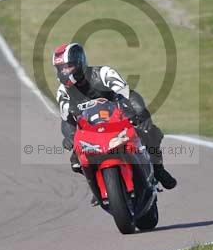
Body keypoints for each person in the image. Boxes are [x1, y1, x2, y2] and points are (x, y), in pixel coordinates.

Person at [52, 42, 177, 193]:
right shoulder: (63, 91)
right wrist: (70, 137)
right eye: (60, 68)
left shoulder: (103, 73)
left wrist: (140, 113)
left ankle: (158, 170)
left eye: (68, 66)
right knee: (76, 162)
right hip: (91, 131)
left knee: (150, 133)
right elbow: (66, 118)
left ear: (79, 62)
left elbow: (128, 93)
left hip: (119, 119)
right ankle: (100, 186)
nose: (64, 72)